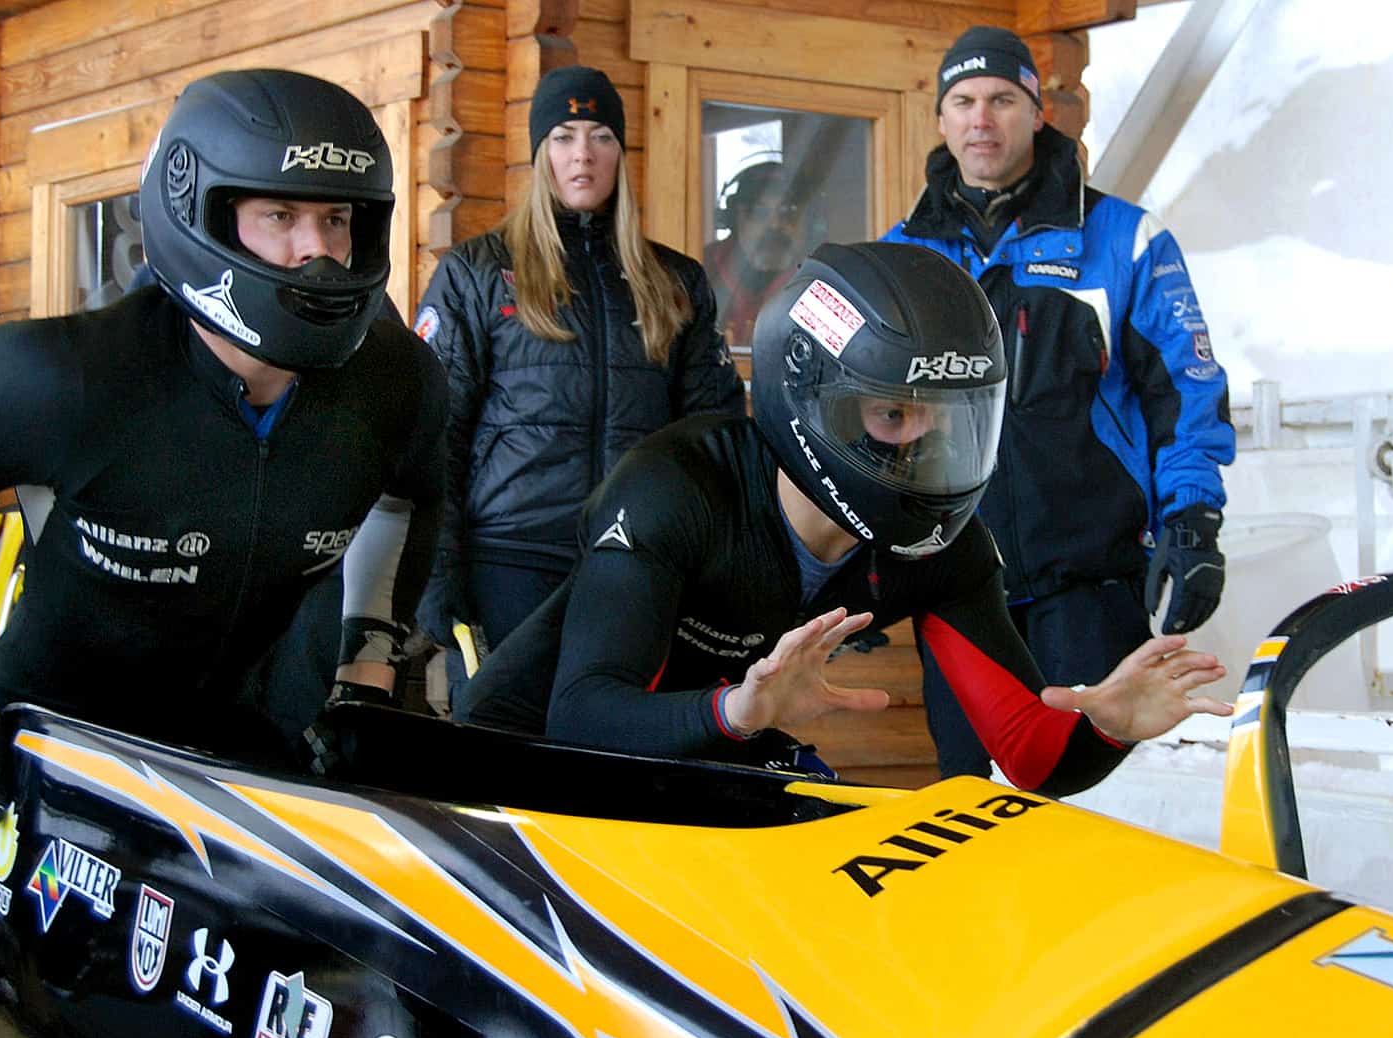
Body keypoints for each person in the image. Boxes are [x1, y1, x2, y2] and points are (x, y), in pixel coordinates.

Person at [0, 69, 448, 821]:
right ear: (202, 212)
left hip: (229, 749)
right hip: (46, 751)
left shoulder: (397, 382)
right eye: (280, 216)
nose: (318, 251)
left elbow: (411, 494)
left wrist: (364, 674)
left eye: (336, 218)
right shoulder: (63, 378)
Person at [457, 242, 1233, 798]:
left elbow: (1030, 752)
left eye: (947, 419)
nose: (925, 444)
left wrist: (1110, 725)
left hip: (710, 743)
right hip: (514, 767)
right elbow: (580, 714)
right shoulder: (675, 486)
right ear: (812, 400)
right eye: (893, 413)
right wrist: (738, 710)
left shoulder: (940, 549)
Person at [879, 26, 1236, 778]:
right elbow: (857, 418)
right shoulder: (897, 258)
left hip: (1089, 582)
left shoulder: (1124, 239)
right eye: (964, 101)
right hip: (956, 591)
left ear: (1038, 113)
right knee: (971, 808)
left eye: (1002, 99)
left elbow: (1186, 389)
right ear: (940, 120)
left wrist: (1192, 520)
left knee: (1091, 798)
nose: (982, 119)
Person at [412, 65, 745, 703]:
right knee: (500, 760)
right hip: (507, 562)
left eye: (600, 136)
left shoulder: (674, 280)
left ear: (621, 151)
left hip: (635, 563)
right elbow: (434, 436)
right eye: (563, 136)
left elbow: (716, 441)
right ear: (540, 153)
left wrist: (721, 572)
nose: (583, 154)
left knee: (611, 757)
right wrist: (438, 577)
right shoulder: (476, 272)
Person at [703, 161, 810, 352]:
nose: (775, 225)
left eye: (788, 212)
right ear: (733, 217)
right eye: (758, 212)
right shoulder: (703, 269)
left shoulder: (814, 278)